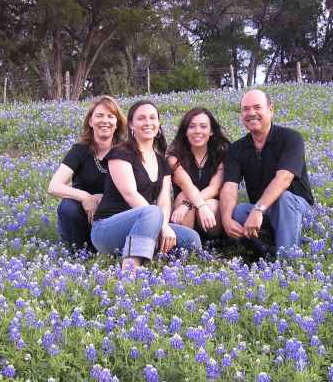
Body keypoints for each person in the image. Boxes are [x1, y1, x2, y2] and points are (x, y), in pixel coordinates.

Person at [91, 100, 202, 271]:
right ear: (131, 124)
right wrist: (162, 226)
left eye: (152, 118)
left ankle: (153, 257)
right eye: (141, 118)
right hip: (108, 228)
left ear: (158, 123)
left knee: (191, 239)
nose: (148, 122)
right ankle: (130, 269)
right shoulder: (120, 152)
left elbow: (165, 201)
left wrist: (162, 226)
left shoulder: (161, 161)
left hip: (147, 225)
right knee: (151, 211)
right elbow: (130, 194)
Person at [220, 89, 314, 258]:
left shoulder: (291, 138)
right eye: (246, 109)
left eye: (257, 107)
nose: (251, 113)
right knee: (239, 212)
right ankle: (272, 251)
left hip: (296, 208)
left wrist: (258, 209)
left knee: (284, 198)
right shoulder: (237, 148)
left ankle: (287, 261)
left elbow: (284, 179)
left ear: (271, 109)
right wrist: (226, 219)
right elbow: (229, 187)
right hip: (264, 212)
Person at [48, 95, 127, 250]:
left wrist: (104, 198)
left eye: (111, 116)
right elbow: (54, 186)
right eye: (99, 116)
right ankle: (78, 251)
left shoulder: (126, 152)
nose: (105, 121)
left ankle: (112, 250)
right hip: (83, 216)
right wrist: (86, 197)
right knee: (68, 208)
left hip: (114, 213)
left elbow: (136, 190)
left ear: (117, 123)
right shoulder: (80, 150)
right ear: (90, 121)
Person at [167, 107, 230, 238]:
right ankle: (188, 246)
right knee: (183, 195)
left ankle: (212, 246)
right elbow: (186, 184)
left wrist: (191, 205)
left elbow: (215, 188)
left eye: (203, 126)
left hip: (210, 216)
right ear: (185, 131)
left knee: (211, 204)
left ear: (211, 131)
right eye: (192, 126)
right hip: (184, 215)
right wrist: (194, 205)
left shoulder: (220, 155)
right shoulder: (174, 157)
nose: (197, 131)